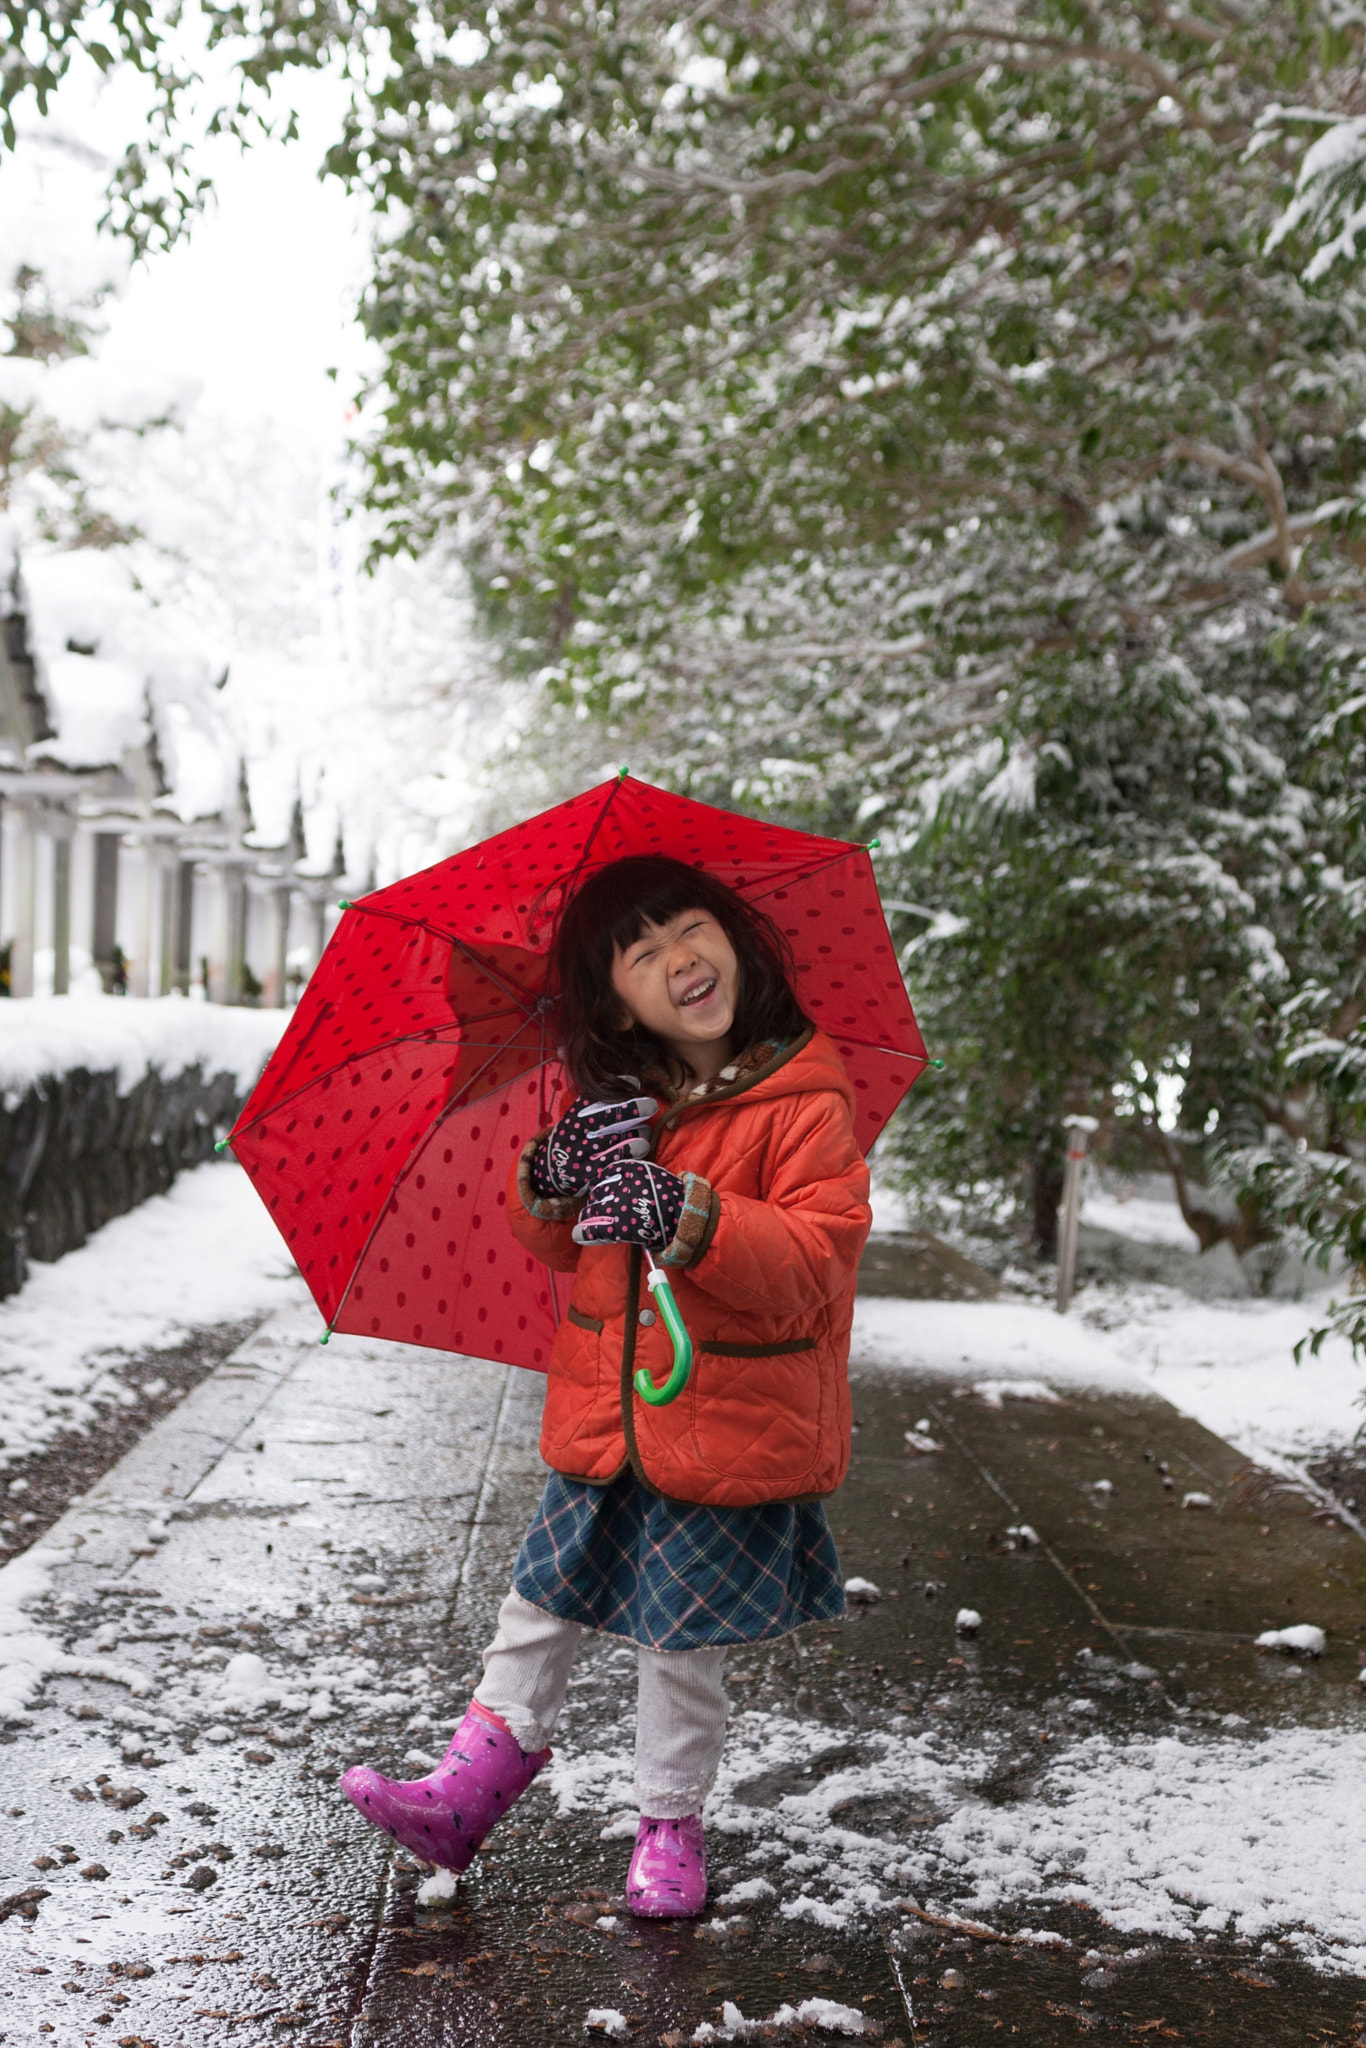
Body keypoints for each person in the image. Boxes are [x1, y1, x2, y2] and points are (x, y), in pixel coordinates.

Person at [341, 854, 872, 1916]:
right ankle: (464, 1795)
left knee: (680, 1640)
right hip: (603, 1410)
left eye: (689, 928)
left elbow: (818, 1257)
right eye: (641, 951)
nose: (678, 958)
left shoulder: (803, 1097)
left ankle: (670, 1823)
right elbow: (558, 1239)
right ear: (614, 1001)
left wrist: (691, 1212)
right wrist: (551, 1176)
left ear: (734, 936)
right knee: (535, 1606)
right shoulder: (621, 1102)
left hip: (720, 1410)